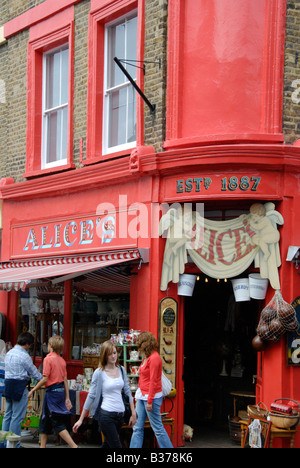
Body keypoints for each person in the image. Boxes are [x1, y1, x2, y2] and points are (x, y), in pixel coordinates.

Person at [73, 340, 136, 448]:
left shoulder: (121, 370)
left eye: (115, 353)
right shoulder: (99, 372)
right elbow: (91, 395)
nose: (113, 356)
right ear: (104, 356)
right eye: (110, 354)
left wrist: (133, 413)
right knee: (116, 446)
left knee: (107, 444)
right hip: (106, 415)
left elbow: (127, 391)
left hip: (120, 415)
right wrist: (81, 419)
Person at [28, 335, 78, 448]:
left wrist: (33, 390)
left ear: (51, 346)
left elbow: (45, 378)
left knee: (56, 422)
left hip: (52, 394)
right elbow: (65, 380)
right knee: (45, 420)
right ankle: (43, 446)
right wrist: (67, 397)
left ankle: (74, 446)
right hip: (59, 393)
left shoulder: (48, 359)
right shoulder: (62, 361)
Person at [130, 331, 173, 448]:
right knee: (137, 428)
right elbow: (144, 380)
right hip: (143, 396)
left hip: (151, 398)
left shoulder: (154, 358)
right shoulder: (147, 357)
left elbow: (154, 382)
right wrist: (138, 398)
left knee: (157, 428)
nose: (138, 348)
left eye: (139, 345)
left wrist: (149, 401)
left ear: (145, 345)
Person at [2, 332, 42, 447]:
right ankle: (14, 444)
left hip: (8, 384)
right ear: (27, 344)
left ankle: (4, 442)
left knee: (8, 415)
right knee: (17, 417)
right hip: (19, 386)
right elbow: (35, 374)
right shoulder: (24, 356)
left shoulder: (9, 353)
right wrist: (41, 377)